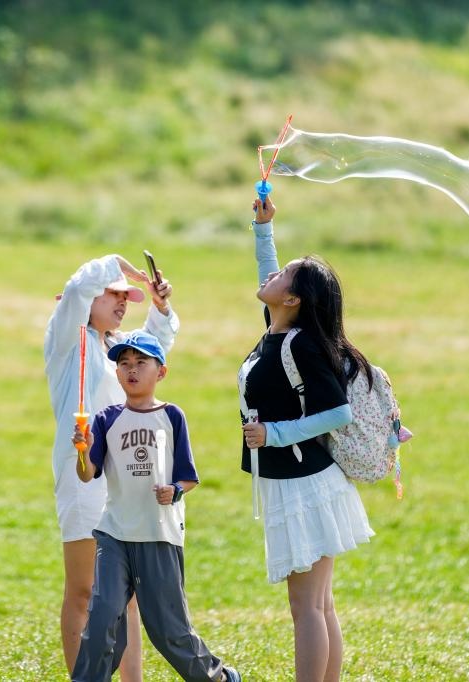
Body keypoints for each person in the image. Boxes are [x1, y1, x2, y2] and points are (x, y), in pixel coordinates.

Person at [238, 198, 374, 682]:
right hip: (298, 480)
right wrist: (262, 229)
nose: (269, 280)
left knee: (308, 609)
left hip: (304, 484)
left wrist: (275, 433)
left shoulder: (298, 343)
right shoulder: (279, 331)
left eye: (282, 278)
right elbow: (268, 276)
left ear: (292, 300)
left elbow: (337, 410)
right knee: (319, 605)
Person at [71, 331, 241, 682]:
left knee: (168, 631)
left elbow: (188, 477)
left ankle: (218, 678)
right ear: (116, 372)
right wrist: (83, 450)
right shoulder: (106, 419)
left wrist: (175, 490)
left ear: (160, 372)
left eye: (140, 363)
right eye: (124, 364)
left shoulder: (172, 416)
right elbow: (88, 474)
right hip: (115, 532)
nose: (131, 370)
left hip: (159, 534)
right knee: (102, 618)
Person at [44, 254, 178, 679]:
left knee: (128, 595)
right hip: (82, 473)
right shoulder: (67, 338)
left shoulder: (116, 348)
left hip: (126, 479)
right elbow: (80, 283)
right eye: (114, 294)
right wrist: (119, 263)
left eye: (127, 297)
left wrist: (159, 307)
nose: (123, 302)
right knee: (85, 592)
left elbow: (156, 347)